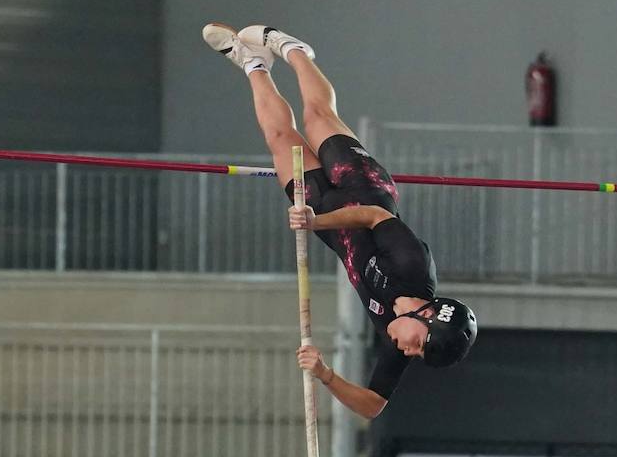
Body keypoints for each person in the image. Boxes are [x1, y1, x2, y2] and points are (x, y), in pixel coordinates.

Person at [203, 23, 478, 418]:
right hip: (361, 188)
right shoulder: (413, 267)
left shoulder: (394, 334)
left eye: (416, 353)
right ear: (428, 315)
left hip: (327, 220)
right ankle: (292, 48)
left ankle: (252, 64)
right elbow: (373, 215)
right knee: (317, 115)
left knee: (280, 136)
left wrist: (325, 374)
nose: (408, 351)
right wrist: (316, 223)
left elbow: (373, 406)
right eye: (420, 344)